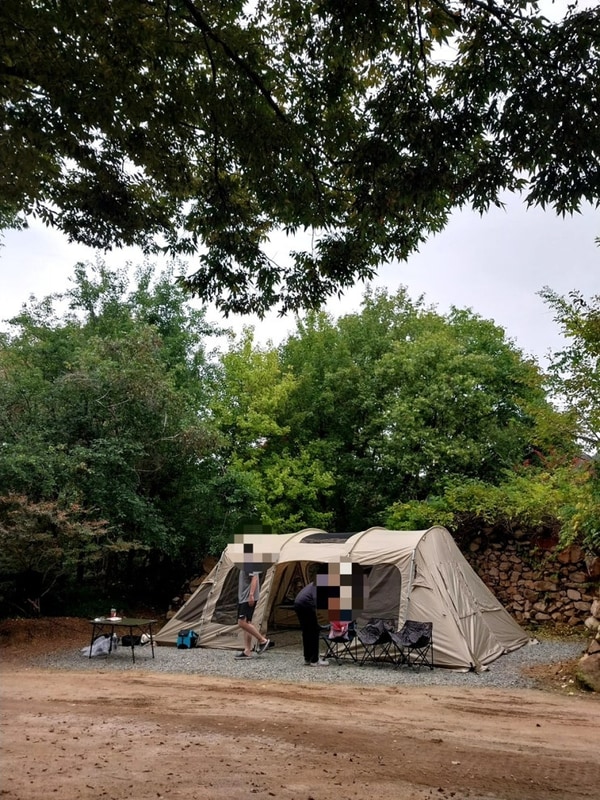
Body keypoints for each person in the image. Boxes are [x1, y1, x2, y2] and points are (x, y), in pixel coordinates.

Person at [294, 568, 328, 667]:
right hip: (306, 604)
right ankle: (315, 660)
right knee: (314, 631)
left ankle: (307, 658)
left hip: (298, 603)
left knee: (306, 631)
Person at [235, 569, 270, 659]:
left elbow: (254, 578)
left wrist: (251, 595)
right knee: (248, 623)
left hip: (247, 598)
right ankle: (247, 651)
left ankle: (262, 640)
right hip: (244, 598)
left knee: (242, 622)